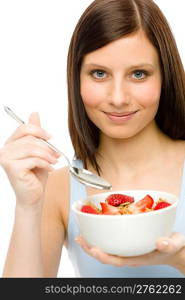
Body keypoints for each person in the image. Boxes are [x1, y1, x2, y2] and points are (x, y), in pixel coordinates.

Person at [0, 0, 185, 278]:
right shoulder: (58, 188)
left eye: (138, 74)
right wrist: (28, 206)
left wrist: (180, 259)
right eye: (99, 74)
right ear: (77, 79)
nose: (119, 98)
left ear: (164, 77)